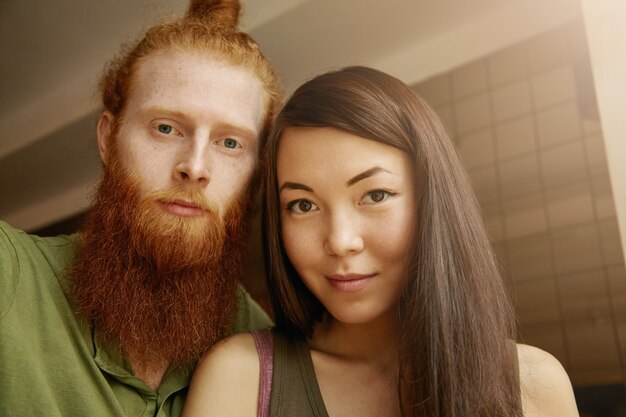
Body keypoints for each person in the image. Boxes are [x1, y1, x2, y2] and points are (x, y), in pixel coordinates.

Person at [183, 66, 580, 417]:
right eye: (303, 204)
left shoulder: (534, 387)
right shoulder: (242, 379)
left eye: (374, 196)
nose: (340, 241)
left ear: (431, 199)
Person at [0, 1, 280, 416]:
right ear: (108, 140)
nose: (195, 167)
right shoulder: (10, 276)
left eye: (230, 143)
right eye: (166, 128)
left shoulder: (269, 350)